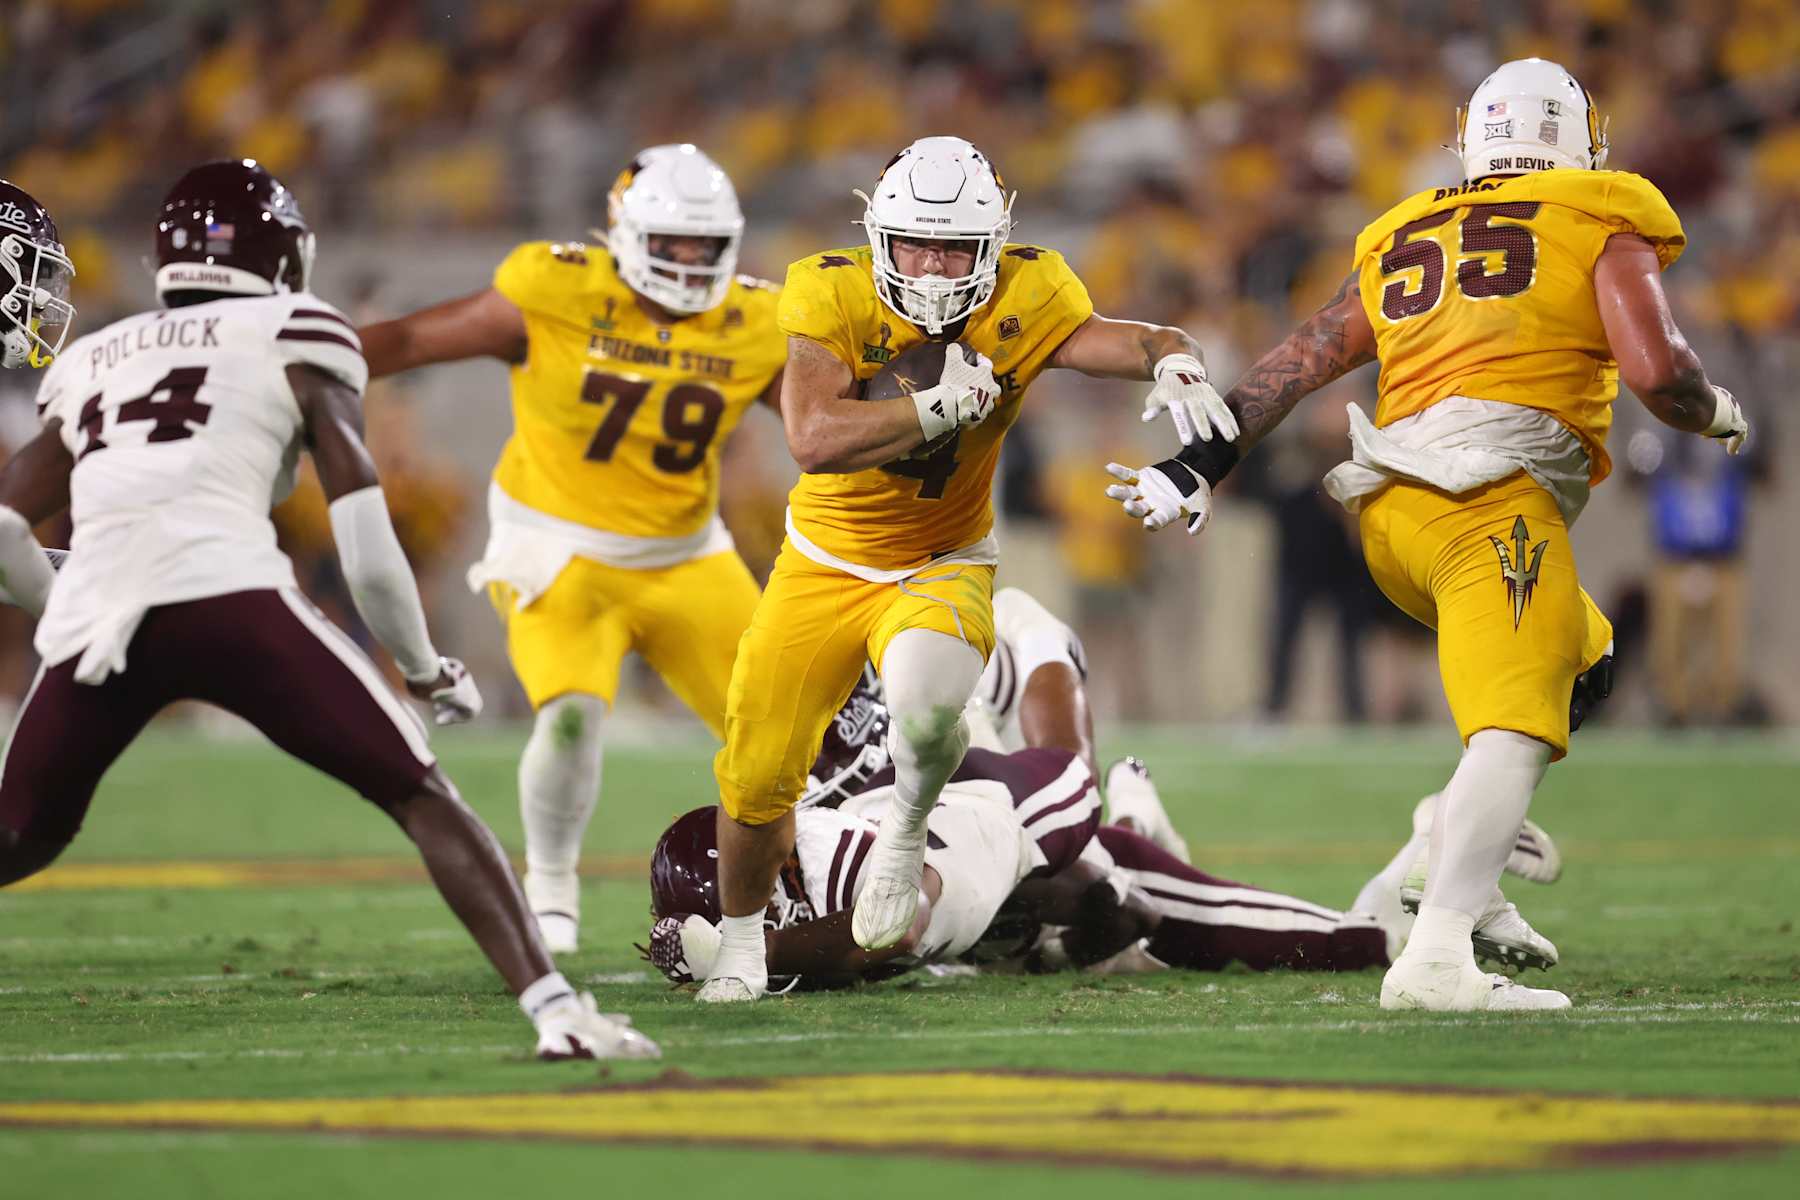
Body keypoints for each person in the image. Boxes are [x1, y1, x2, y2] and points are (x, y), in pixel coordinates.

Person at [1104, 59, 1749, 1011]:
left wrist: (1200, 463)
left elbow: (1305, 356)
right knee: (1516, 730)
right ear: (1580, 141)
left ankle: (1451, 850)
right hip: (1487, 500)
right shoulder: (1603, 209)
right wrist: (1718, 413)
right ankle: (1439, 953)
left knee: (1585, 662)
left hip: (1391, 511)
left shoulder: (1409, 226)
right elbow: (1658, 371)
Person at [0, 160, 657, 1061]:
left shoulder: (94, 359)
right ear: (281, 253)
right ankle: (556, 1013)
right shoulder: (296, 329)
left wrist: (69, 595)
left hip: (102, 618)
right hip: (229, 596)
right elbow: (366, 540)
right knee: (421, 794)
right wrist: (424, 668)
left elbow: (1, 522)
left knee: (20, 834)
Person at [704, 135, 1236, 1002]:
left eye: (955, 246)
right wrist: (929, 409)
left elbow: (1132, 340)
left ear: (994, 245)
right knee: (757, 773)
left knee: (921, 716)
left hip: (941, 560)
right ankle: (737, 948)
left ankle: (907, 831)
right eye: (914, 241)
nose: (933, 264)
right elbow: (810, 438)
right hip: (823, 565)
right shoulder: (825, 286)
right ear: (877, 235)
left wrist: (1174, 356)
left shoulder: (1035, 286)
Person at [358, 145, 784, 953]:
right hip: (558, 546)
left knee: (784, 733)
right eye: (673, 244)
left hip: (688, 553)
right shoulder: (556, 289)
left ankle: (809, 894)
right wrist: (296, 357)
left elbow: (817, 423)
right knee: (570, 719)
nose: (692, 263)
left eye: (706, 247)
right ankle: (550, 884)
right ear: (624, 235)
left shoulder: (756, 320)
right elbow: (413, 339)